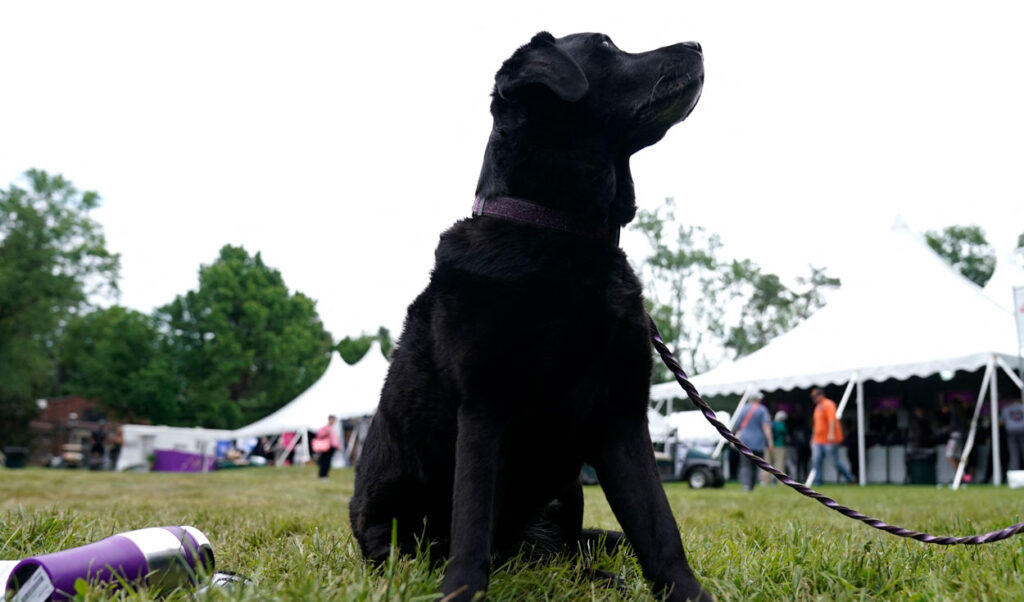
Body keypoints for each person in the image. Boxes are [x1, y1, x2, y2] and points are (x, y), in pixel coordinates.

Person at [810, 388, 855, 485]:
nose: (814, 399)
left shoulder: (828, 404)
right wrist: (812, 439)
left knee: (834, 461)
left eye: (815, 397)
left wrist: (831, 433)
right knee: (816, 460)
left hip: (829, 440)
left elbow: (832, 420)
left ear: (821, 395)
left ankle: (850, 478)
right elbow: (815, 425)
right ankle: (818, 482)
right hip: (818, 440)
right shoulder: (817, 408)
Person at [732, 392, 773, 491]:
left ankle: (746, 486)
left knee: (745, 464)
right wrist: (770, 442)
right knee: (755, 465)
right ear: (758, 400)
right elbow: (766, 427)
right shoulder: (762, 409)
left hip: (744, 441)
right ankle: (752, 486)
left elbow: (736, 426)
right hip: (758, 442)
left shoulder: (743, 409)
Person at [1000, 398, 1024, 471]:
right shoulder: (1022, 407)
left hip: (1011, 432)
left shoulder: (1006, 408)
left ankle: (1014, 471)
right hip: (1022, 431)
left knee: (1013, 454)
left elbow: (1001, 422)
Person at [314, 415, 341, 479]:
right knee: (325, 461)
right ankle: (322, 475)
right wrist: (326, 433)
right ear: (329, 420)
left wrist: (338, 446)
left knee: (328, 462)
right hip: (326, 448)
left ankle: (325, 475)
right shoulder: (326, 428)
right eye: (332, 419)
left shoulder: (332, 428)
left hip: (332, 447)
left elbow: (335, 439)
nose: (333, 421)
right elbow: (319, 435)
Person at [769, 410, 788, 486]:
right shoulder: (782, 425)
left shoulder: (771, 424)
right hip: (780, 446)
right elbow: (786, 436)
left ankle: (766, 482)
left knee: (768, 464)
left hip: (769, 446)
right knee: (780, 465)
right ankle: (780, 482)